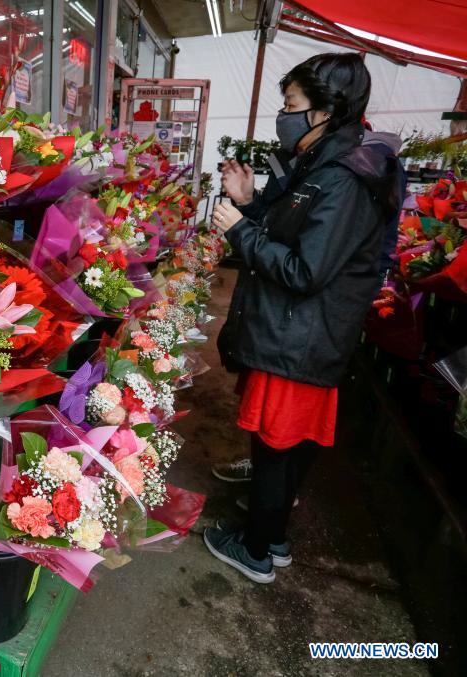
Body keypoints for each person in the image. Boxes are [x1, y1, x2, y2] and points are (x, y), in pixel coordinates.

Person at [203, 53, 404, 584]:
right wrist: (249, 203)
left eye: (292, 104)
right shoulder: (320, 165)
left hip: (301, 335)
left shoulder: (346, 178)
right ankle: (271, 539)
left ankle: (257, 552)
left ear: (326, 111)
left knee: (275, 446)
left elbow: (305, 268)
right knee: (282, 445)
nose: (284, 114)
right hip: (296, 331)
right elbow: (294, 230)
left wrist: (239, 231)